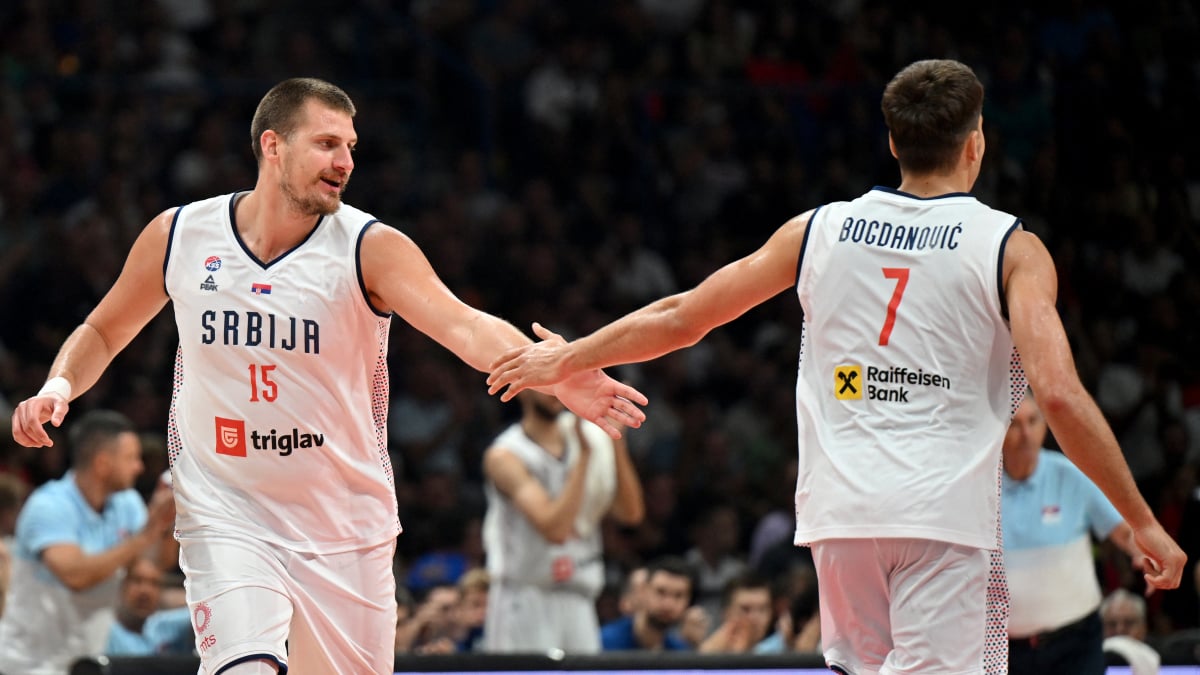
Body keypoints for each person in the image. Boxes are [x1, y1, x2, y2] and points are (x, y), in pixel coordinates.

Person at [487, 58, 1187, 673]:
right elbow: (1059, 395)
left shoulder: (816, 228)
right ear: (976, 144)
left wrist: (568, 356)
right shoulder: (1011, 246)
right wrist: (1143, 520)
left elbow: (684, 316)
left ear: (892, 143)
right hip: (942, 517)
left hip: (841, 517)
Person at [8, 78, 646, 675]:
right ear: (272, 145)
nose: (344, 160)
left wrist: (558, 371)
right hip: (227, 505)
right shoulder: (179, 234)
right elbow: (102, 330)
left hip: (342, 518)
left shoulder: (370, 246)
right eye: (327, 144)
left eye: (350, 147)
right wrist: (57, 386)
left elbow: (466, 326)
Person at [0, 410, 175, 675]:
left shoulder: (126, 504)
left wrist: (168, 523)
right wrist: (147, 534)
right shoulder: (48, 505)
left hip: (86, 658)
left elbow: (151, 565)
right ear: (103, 463)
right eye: (130, 458)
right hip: (29, 663)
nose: (139, 467)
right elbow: (76, 576)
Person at [482, 390, 645, 653]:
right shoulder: (505, 455)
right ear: (522, 389)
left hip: (579, 597)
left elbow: (631, 514)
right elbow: (554, 529)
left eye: (560, 381)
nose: (555, 390)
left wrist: (615, 441)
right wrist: (584, 456)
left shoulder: (586, 434)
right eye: (545, 383)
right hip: (525, 598)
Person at [1002, 393, 1146, 673]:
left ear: (1045, 425)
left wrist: (1144, 552)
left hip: (1075, 643)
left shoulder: (1071, 475)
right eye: (1015, 424)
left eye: (1033, 421)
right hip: (1003, 648)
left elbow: (1124, 532)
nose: (1026, 434)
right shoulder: (981, 483)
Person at [600, 555, 695, 651]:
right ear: (643, 591)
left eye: (678, 596)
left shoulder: (680, 651)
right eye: (660, 592)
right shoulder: (604, 643)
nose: (668, 604)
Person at [105, 556, 194, 656]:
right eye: (137, 580)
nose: (145, 591)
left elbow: (205, 608)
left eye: (154, 583)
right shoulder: (105, 630)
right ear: (123, 586)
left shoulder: (162, 625)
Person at [696, 572, 774, 653]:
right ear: (726, 613)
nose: (755, 618)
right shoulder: (706, 656)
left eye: (762, 609)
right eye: (746, 609)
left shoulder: (779, 654)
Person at [1100, 588, 1161, 675]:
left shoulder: (1163, 663)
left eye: (1128, 623)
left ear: (1143, 628)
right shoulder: (1085, 662)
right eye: (1112, 624)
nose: (1119, 630)